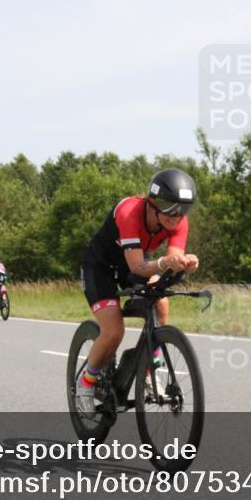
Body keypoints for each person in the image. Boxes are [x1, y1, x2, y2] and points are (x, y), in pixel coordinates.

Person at [77, 168, 200, 417]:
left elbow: (172, 257)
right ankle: (86, 384)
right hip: (101, 267)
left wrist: (183, 262)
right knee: (113, 331)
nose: (176, 216)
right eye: (169, 208)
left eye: (183, 209)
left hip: (134, 263)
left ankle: (147, 371)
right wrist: (165, 263)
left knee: (161, 302)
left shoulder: (178, 222)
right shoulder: (129, 212)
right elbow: (137, 266)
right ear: (153, 203)